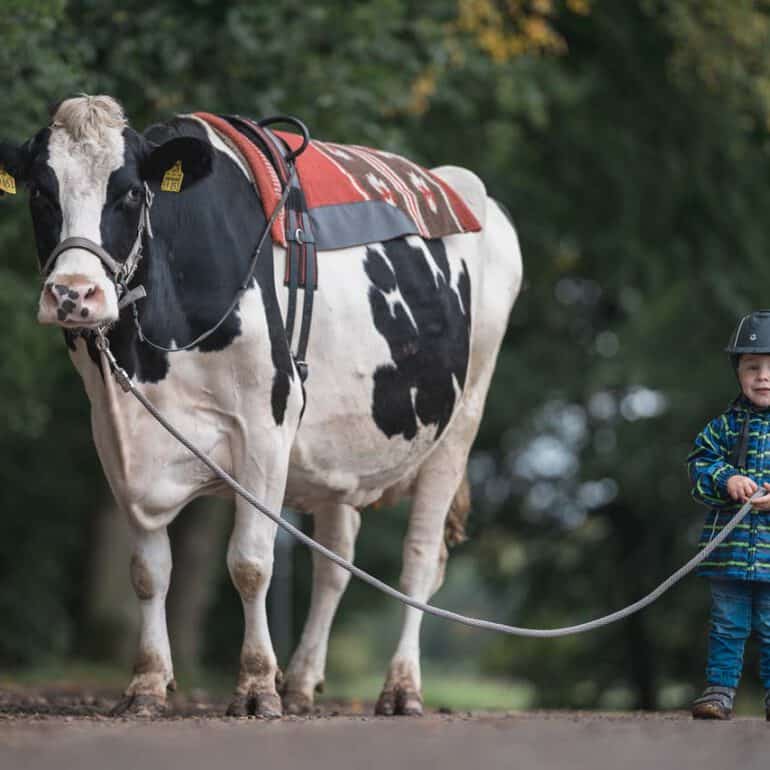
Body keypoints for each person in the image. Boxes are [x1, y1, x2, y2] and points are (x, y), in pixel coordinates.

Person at [688, 310, 770, 720]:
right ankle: (719, 691)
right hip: (729, 555)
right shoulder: (723, 427)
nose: (763, 377)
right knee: (726, 626)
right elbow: (699, 464)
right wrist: (726, 478)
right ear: (738, 373)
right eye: (752, 367)